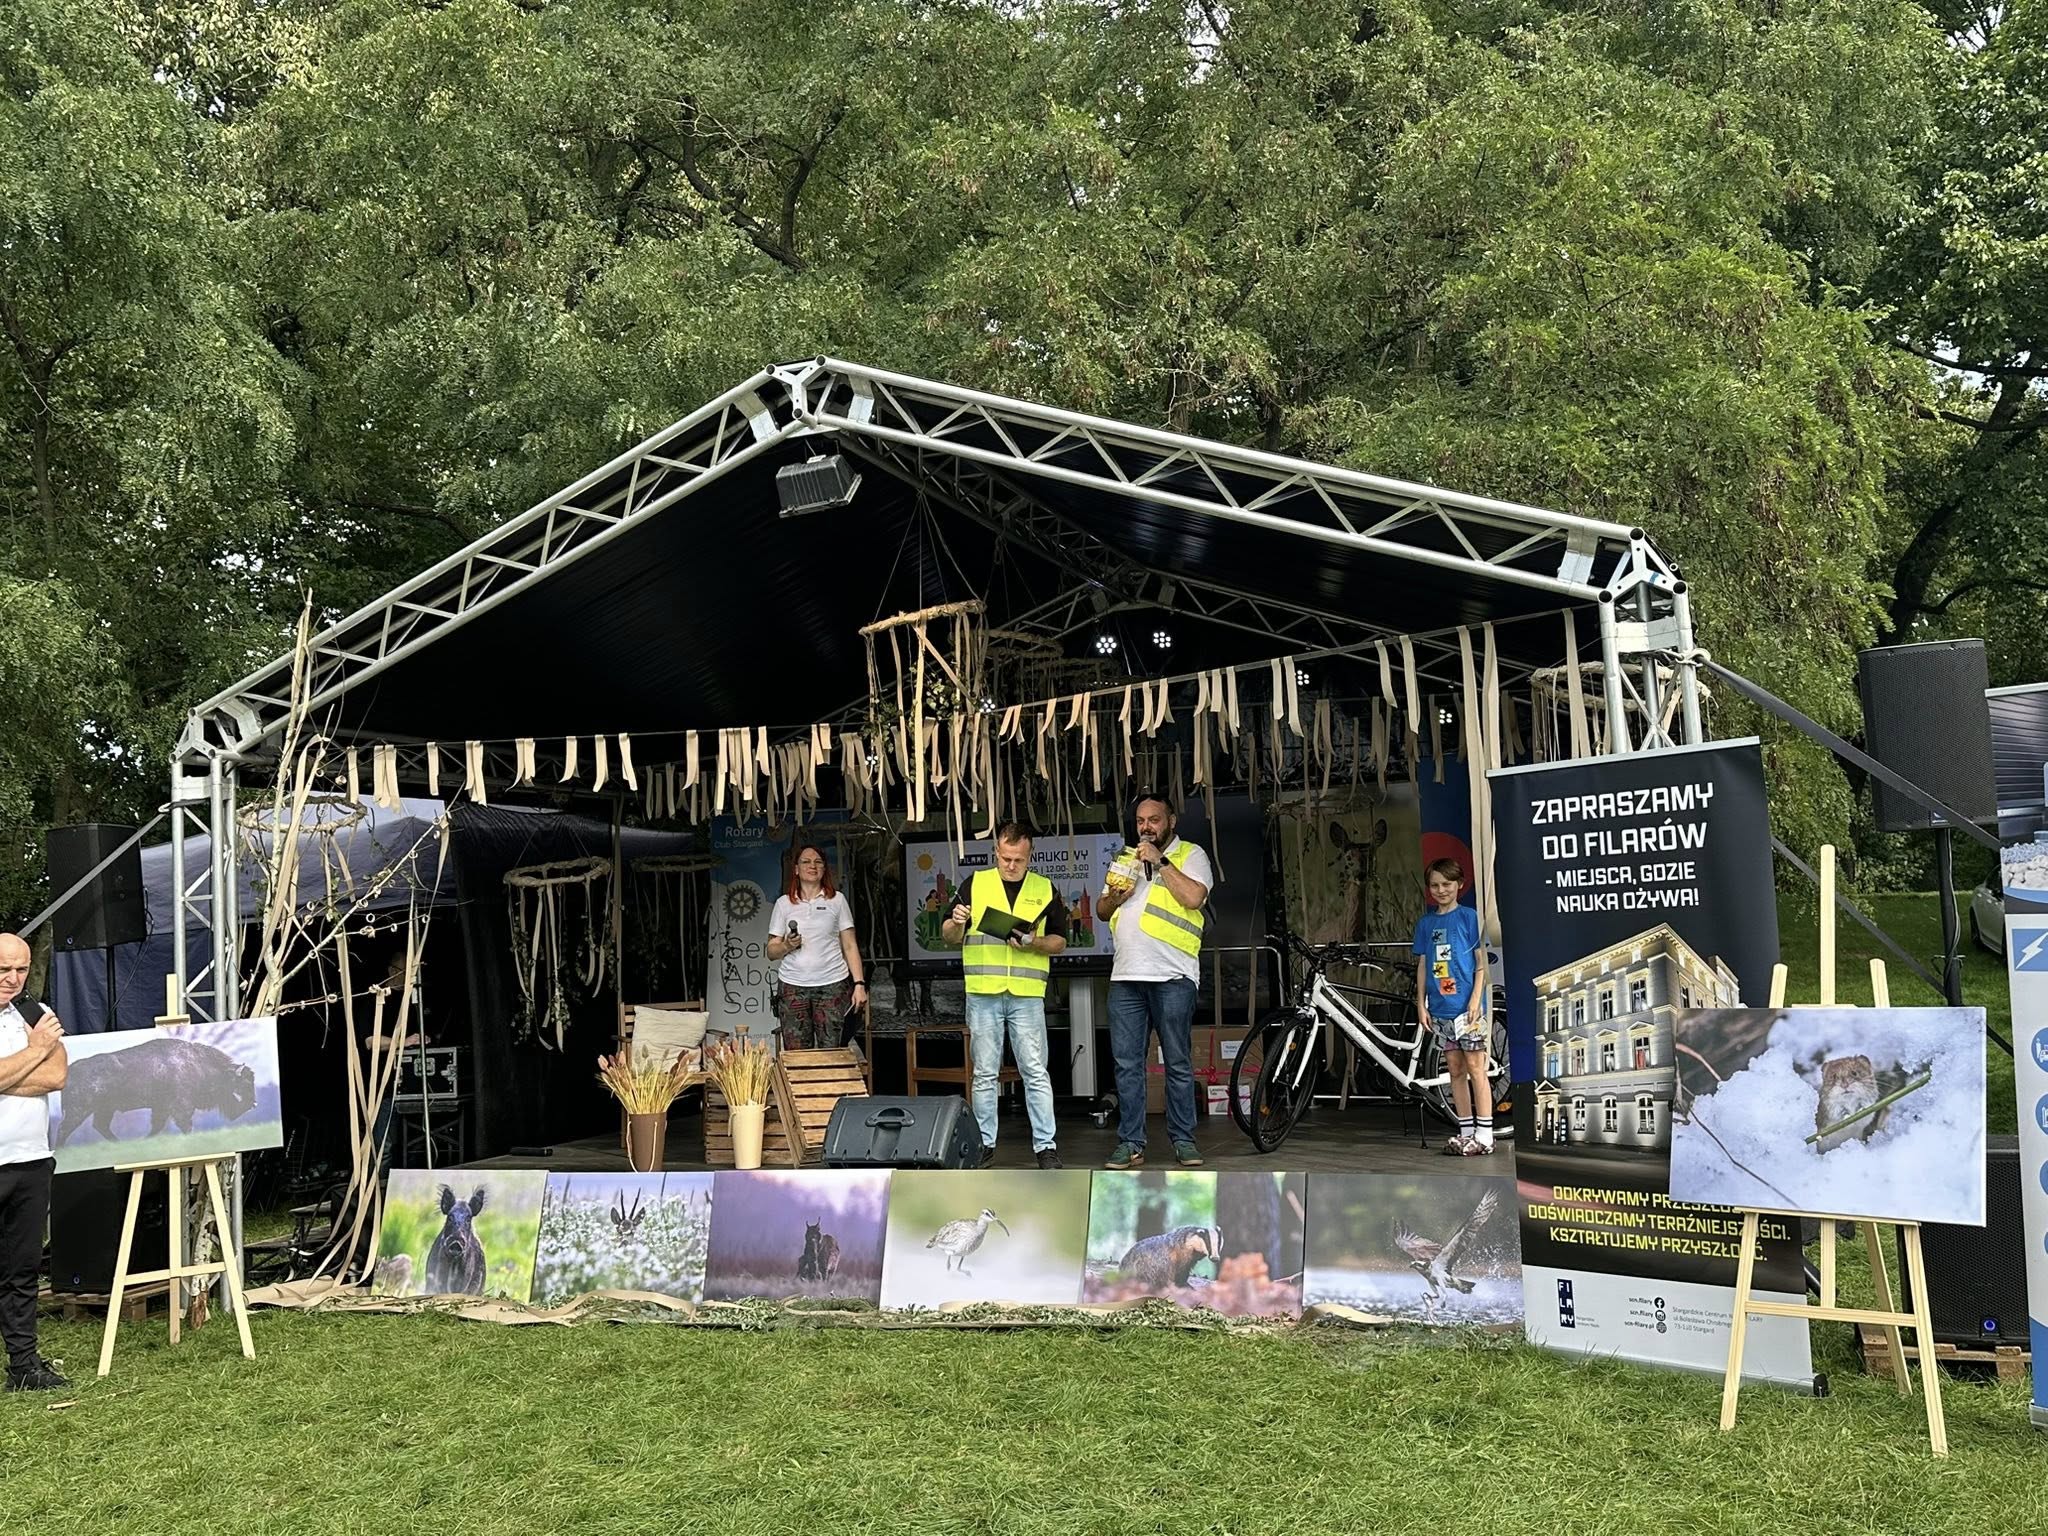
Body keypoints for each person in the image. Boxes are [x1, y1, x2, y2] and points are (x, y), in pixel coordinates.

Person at [940, 822, 1066, 1168]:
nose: (1011, 865)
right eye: (1006, 858)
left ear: (1030, 856)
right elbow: (948, 936)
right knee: (984, 1073)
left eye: (1018, 860)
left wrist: (1033, 942)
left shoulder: (1044, 888)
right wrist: (957, 920)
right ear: (996, 851)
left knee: (1035, 1071)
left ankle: (1046, 1147)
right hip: (983, 992)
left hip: (1026, 993)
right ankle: (983, 1145)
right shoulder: (975, 883)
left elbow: (1060, 941)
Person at [1097, 794, 1212, 1169]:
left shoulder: (1190, 855)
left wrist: (1160, 861)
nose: (1146, 827)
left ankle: (1184, 1140)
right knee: (1127, 1065)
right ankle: (1130, 1142)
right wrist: (1116, 897)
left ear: (1171, 821)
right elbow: (1101, 910)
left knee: (1177, 1062)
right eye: (1141, 820)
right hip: (1125, 977)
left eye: (1154, 819)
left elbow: (1194, 898)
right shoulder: (1124, 858)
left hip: (1172, 976)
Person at [0, 932, 68, 1391]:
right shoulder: (37, 1033)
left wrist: (16, 1069)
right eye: (4, 969)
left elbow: (58, 1075)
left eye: (21, 969)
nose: (13, 978)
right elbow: (42, 1062)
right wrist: (35, 1051)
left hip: (30, 1160)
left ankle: (23, 1366)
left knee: (22, 1269)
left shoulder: (33, 1013)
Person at [1413, 857, 1493, 1155]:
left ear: (1459, 884)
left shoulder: (1470, 917)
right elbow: (1423, 964)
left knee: (1476, 1068)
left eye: (1446, 884)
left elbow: (1481, 963)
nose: (1441, 890)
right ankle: (1466, 1132)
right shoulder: (1426, 923)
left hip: (1467, 1010)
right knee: (1455, 1070)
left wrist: (1475, 999)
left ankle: (1485, 1135)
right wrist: (1421, 1003)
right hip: (1441, 1010)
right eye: (1435, 885)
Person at [765, 842, 868, 1050]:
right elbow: (771, 951)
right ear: (796, 869)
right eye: (806, 862)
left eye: (818, 862)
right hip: (793, 985)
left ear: (824, 868)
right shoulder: (783, 903)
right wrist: (787, 945)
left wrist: (859, 984)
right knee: (797, 1054)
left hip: (832, 984)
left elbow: (850, 945)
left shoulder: (837, 900)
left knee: (832, 1050)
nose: (812, 866)